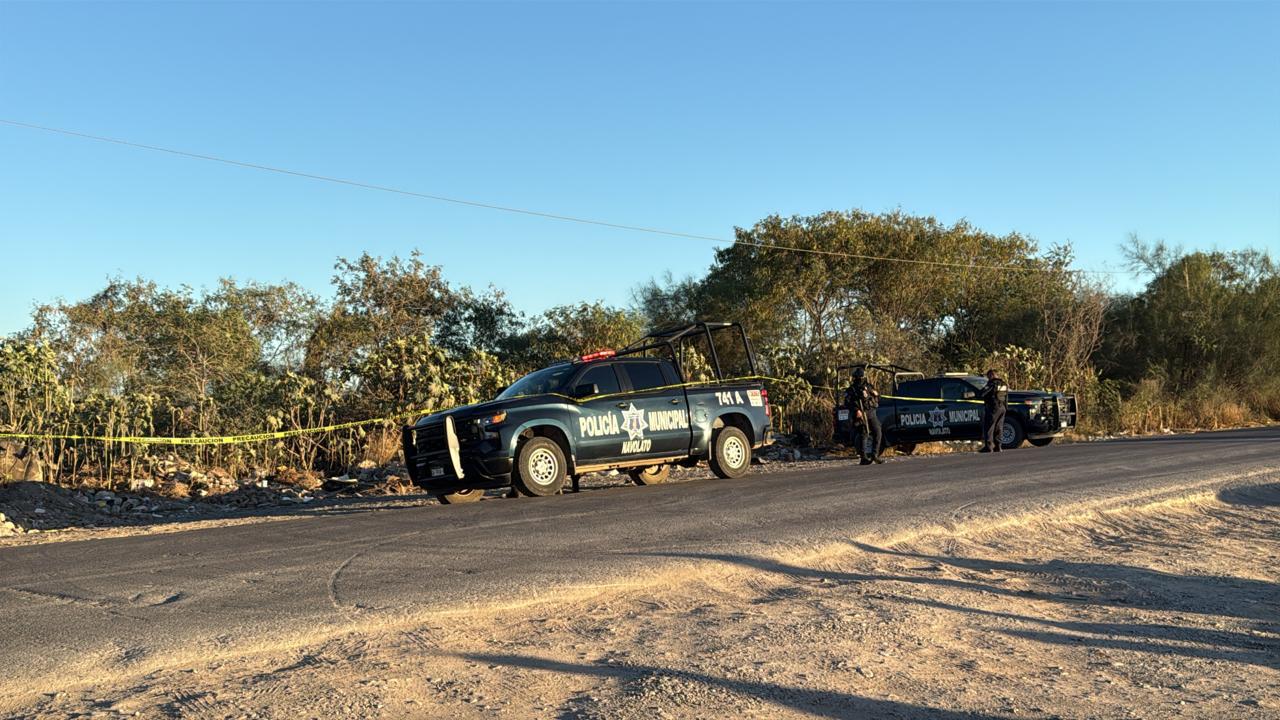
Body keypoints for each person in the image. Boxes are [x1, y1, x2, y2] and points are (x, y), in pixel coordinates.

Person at [845, 367, 883, 465]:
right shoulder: (851, 390)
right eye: (859, 377)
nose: (861, 379)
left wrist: (876, 394)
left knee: (877, 432)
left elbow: (878, 397)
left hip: (871, 412)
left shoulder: (868, 386)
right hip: (861, 413)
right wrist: (856, 410)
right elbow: (847, 402)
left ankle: (875, 455)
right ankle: (863, 457)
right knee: (864, 434)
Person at [979, 368, 1009, 453]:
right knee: (999, 427)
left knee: (989, 427)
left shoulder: (992, 384)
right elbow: (1006, 397)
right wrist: (1006, 408)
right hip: (1002, 408)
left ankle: (988, 447)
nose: (988, 378)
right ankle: (998, 447)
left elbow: (983, 393)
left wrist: (980, 391)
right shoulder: (1003, 384)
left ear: (992, 375)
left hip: (993, 408)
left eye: (988, 376)